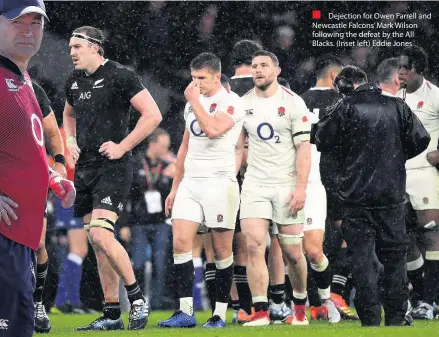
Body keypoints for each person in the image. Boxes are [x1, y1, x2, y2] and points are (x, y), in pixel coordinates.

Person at [311, 65, 430, 326]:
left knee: (361, 258)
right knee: (395, 257)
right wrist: (395, 156)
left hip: (356, 196)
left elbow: (320, 138)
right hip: (390, 195)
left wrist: (349, 154)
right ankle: (397, 316)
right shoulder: (397, 106)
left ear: (345, 86)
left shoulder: (344, 107)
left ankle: (370, 317)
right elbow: (422, 139)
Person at [63, 26, 162, 331]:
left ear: (95, 47)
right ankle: (111, 313)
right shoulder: (74, 81)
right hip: (85, 169)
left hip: (112, 166)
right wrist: (69, 140)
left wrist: (123, 146)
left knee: (100, 235)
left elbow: (153, 115)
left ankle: (137, 300)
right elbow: (67, 115)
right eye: (69, 47)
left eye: (78, 46)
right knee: (98, 244)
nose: (72, 52)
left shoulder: (120, 75)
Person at [0, 1, 75, 336]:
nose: (29, 31)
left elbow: (28, 146)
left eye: (36, 23)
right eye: (18, 22)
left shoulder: (24, 79)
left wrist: (53, 175)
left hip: (20, 234)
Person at [158, 52, 245, 328]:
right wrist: (174, 188)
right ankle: (185, 312)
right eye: (193, 78)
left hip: (220, 183)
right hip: (191, 183)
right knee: (181, 243)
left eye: (201, 79)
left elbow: (212, 129)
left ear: (217, 77)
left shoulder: (232, 102)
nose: (195, 84)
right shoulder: (190, 105)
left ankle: (219, 312)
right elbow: (184, 147)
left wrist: (194, 101)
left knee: (221, 251)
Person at [240, 50, 312, 326]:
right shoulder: (243, 104)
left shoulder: (294, 103)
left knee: (293, 253)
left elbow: (303, 149)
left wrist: (301, 188)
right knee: (255, 245)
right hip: (255, 185)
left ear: (276, 71)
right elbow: (238, 145)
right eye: (254, 66)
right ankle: (260, 311)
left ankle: (300, 309)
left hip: (286, 185)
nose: (257, 70)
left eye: (263, 66)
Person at [378, 57, 426, 314]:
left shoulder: (362, 102)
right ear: (398, 78)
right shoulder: (399, 106)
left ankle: (396, 301)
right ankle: (413, 300)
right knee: (403, 242)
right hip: (398, 186)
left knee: (383, 245)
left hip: (368, 187)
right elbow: (422, 140)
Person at [300, 54, 344, 323]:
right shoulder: (342, 101)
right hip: (336, 177)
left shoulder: (298, 100)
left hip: (307, 177)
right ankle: (336, 291)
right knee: (346, 233)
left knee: (305, 244)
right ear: (334, 77)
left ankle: (313, 300)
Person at [397, 46, 439, 320]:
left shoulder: (435, 96)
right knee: (402, 237)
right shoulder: (394, 99)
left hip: (426, 173)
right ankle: (420, 296)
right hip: (399, 175)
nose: (400, 72)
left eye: (405, 68)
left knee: (430, 234)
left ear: (418, 70)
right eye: (399, 67)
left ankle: (430, 300)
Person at [228, 39, 263, 324]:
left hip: (225, 172)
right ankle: (278, 299)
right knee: (270, 243)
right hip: (264, 172)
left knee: (229, 243)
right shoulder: (266, 87)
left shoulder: (222, 88)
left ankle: (236, 304)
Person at [32, 81, 68, 333]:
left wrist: (59, 163)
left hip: (29, 176)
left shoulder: (32, 89)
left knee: (39, 244)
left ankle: (36, 304)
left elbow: (52, 132)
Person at [127, 128, 174, 310]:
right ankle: (138, 301)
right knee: (137, 263)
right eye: (163, 146)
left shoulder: (168, 165)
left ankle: (156, 302)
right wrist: (125, 223)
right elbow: (128, 195)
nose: (165, 149)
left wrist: (169, 176)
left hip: (160, 221)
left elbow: (170, 193)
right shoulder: (136, 163)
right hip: (139, 221)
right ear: (152, 143)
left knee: (160, 264)